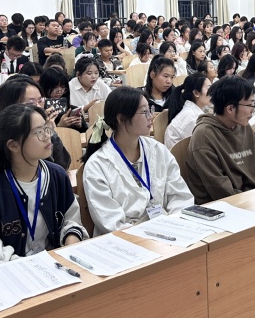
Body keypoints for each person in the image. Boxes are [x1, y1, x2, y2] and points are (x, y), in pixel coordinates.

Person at [0, 104, 86, 268]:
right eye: (39, 132)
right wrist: (36, 267)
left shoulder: (57, 175)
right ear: (13, 145)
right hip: (14, 274)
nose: (48, 136)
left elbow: (71, 220)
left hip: (57, 266)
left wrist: (71, 243)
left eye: (47, 128)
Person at [82, 87, 193, 235]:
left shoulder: (158, 151)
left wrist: (174, 226)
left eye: (150, 110)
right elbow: (111, 222)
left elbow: (181, 197)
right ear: (121, 118)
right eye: (144, 112)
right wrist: (151, 235)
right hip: (126, 241)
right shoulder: (97, 165)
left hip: (168, 232)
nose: (151, 117)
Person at [184, 76, 255, 204]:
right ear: (230, 108)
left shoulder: (244, 127)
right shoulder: (204, 137)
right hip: (222, 208)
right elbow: (221, 192)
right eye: (249, 104)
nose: (253, 110)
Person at [0, 76, 71, 169]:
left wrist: (49, 131)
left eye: (40, 100)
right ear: (10, 106)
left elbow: (63, 164)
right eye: (30, 103)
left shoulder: (42, 124)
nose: (39, 107)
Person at [164, 73, 211, 148]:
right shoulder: (191, 118)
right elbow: (199, 148)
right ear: (196, 93)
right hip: (179, 155)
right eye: (209, 89)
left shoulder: (194, 110)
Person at [39, 67, 86, 131]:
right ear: (45, 87)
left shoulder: (72, 110)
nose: (59, 91)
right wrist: (59, 127)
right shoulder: (40, 113)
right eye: (55, 87)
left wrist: (79, 125)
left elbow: (86, 133)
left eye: (62, 87)